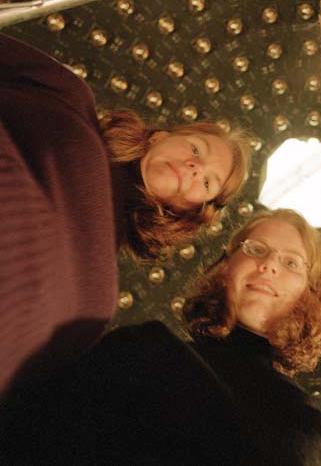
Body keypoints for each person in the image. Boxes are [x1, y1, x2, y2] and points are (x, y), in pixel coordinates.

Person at [0, 209, 321, 466]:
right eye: (256, 249)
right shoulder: (143, 352)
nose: (269, 264)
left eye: (291, 262)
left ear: (311, 293)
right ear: (225, 268)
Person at [0, 33, 251, 394]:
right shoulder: (68, 96)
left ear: (192, 212)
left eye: (209, 183)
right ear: (159, 136)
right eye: (197, 148)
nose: (196, 167)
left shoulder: (97, 306)